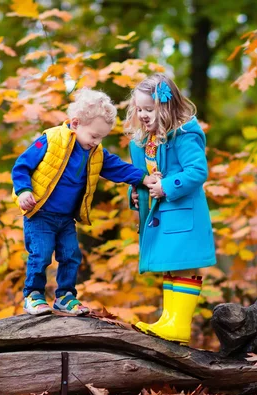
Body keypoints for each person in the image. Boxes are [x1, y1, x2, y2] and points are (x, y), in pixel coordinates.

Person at [12, 88, 157, 316]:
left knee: (71, 255)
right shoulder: (50, 140)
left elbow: (118, 168)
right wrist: (23, 191)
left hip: (66, 218)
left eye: (101, 138)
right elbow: (22, 166)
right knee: (41, 254)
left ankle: (66, 296)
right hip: (40, 213)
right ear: (76, 123)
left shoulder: (95, 152)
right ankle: (33, 295)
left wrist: (143, 178)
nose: (96, 142)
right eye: (93, 136)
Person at [126, 73, 216, 343]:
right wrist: (136, 193)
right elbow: (144, 175)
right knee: (171, 266)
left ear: (166, 107)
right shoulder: (145, 140)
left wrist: (168, 187)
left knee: (184, 266)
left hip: (183, 212)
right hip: (164, 216)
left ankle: (179, 324)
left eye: (149, 109)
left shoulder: (184, 134)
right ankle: (169, 319)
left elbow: (197, 171)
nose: (142, 114)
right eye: (139, 109)